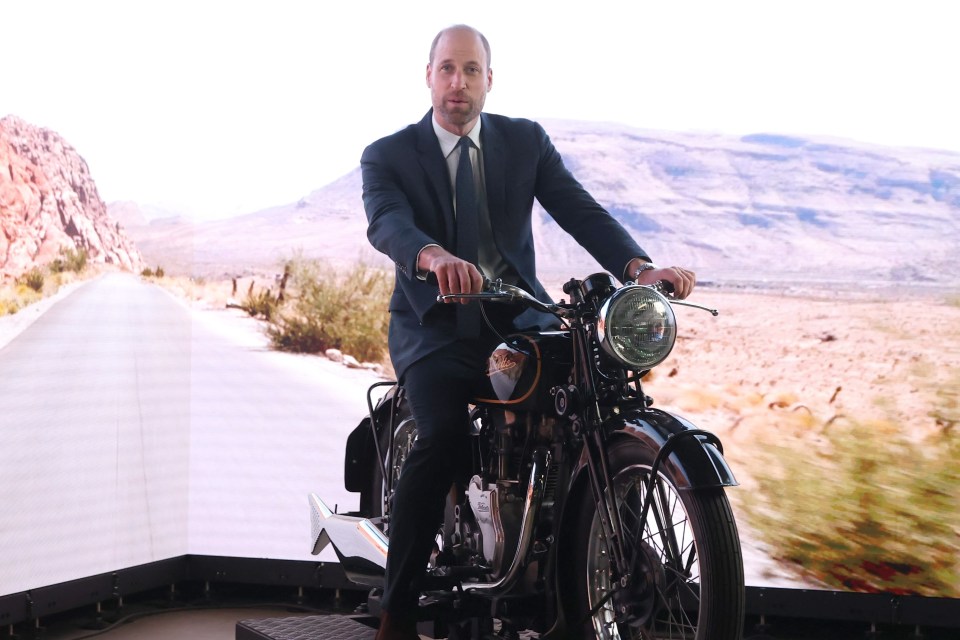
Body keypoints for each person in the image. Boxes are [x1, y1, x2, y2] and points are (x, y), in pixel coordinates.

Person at [361, 24, 696, 640]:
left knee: (600, 405)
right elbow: (387, 223)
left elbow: (578, 208)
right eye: (446, 69)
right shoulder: (389, 154)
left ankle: (585, 561)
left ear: (490, 79)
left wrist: (638, 268)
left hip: (519, 317)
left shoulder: (524, 142)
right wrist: (434, 259)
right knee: (441, 438)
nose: (457, 83)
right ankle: (398, 611)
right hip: (434, 326)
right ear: (428, 75)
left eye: (471, 70)